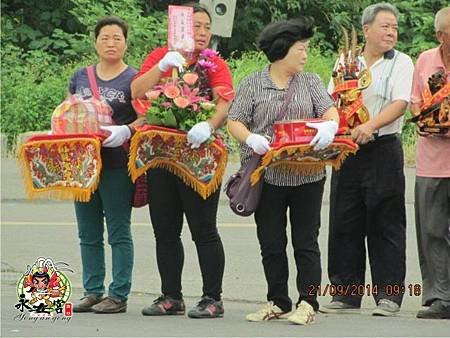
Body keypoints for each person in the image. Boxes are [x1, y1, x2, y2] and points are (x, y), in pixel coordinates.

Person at [227, 17, 340, 325]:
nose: (305, 54)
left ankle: (308, 302)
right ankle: (278, 300)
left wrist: (331, 124)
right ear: (282, 49)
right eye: (300, 48)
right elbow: (235, 120)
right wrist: (250, 138)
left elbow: (330, 110)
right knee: (271, 241)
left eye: (306, 48)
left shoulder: (311, 82)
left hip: (308, 176)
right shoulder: (253, 82)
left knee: (306, 240)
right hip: (267, 177)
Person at [131, 4, 234, 319]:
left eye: (206, 27)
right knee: (165, 229)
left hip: (199, 157)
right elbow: (136, 90)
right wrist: (161, 67)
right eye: (195, 26)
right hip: (162, 156)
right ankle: (171, 296)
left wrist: (209, 125)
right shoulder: (161, 56)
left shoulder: (213, 62)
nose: (202, 32)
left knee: (203, 229)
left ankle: (212, 298)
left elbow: (224, 100)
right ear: (179, 28)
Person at [322, 3, 414, 316]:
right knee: (345, 219)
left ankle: (389, 294)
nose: (392, 32)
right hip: (346, 150)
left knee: (385, 220)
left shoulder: (401, 62)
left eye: (395, 28)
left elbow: (401, 103)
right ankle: (345, 293)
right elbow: (330, 99)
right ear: (366, 30)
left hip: (382, 148)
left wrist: (369, 126)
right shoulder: (346, 60)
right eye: (386, 26)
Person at [70, 16, 141, 314]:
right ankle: (93, 290)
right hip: (82, 165)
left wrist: (125, 131)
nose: (111, 43)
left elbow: (147, 117)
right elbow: (69, 112)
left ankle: (119, 293)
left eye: (117, 38)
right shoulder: (80, 76)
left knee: (118, 230)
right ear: (95, 42)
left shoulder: (135, 78)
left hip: (116, 163)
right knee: (87, 232)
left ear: (125, 43)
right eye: (105, 38)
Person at [410, 7, 450, 320]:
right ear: (441, 36)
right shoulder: (425, 60)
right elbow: (414, 101)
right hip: (431, 162)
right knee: (433, 232)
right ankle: (440, 297)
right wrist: (424, 121)